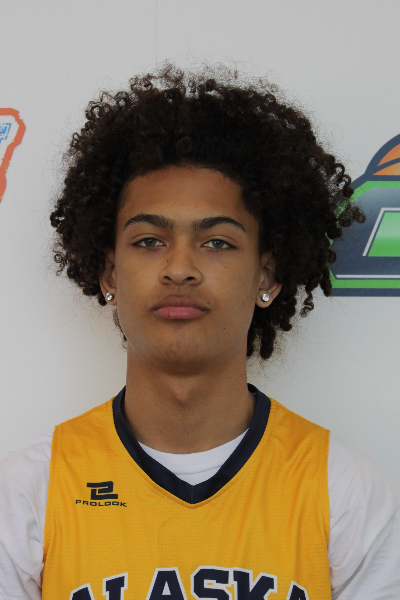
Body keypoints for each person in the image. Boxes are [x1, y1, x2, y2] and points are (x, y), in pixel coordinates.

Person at [0, 63, 399, 600]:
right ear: (109, 274)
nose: (180, 268)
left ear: (267, 276)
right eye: (148, 241)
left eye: (217, 243)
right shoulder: (27, 494)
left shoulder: (344, 492)